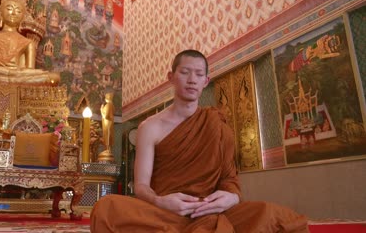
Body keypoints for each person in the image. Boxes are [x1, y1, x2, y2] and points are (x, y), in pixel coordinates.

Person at [90, 50, 309, 232]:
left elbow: (229, 180)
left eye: (198, 74)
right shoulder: (150, 127)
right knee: (106, 208)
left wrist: (232, 198)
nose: (192, 79)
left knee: (281, 218)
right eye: (185, 72)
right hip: (166, 212)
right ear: (171, 77)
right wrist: (160, 201)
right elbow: (141, 187)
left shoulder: (216, 124)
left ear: (206, 81)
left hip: (211, 210)